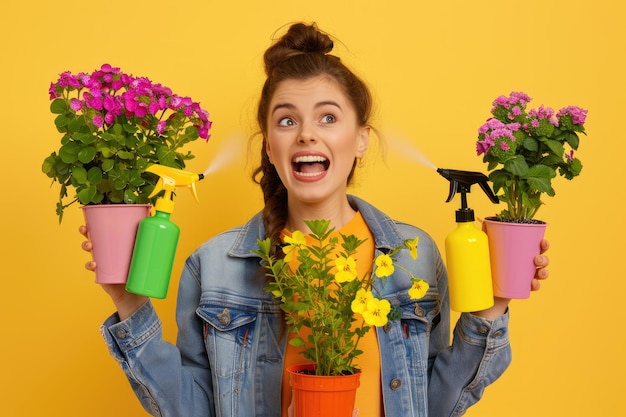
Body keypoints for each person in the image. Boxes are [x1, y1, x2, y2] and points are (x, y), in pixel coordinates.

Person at [80, 22, 550, 417]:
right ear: (269, 144)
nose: (306, 134)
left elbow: (438, 402)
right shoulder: (214, 265)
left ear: (361, 139)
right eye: (287, 121)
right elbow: (189, 408)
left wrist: (494, 307)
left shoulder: (415, 256)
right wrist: (128, 303)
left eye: (328, 118)